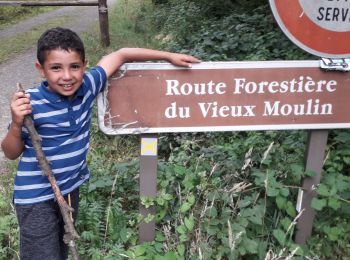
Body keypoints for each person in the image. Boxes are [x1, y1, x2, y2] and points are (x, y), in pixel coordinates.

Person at [0, 27, 200, 260]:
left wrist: (167, 56)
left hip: (69, 190)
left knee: (62, 250)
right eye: (56, 68)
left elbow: (121, 54)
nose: (67, 76)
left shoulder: (88, 85)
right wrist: (16, 124)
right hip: (35, 197)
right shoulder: (31, 103)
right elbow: (11, 153)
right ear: (41, 69)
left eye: (74, 66)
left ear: (84, 65)